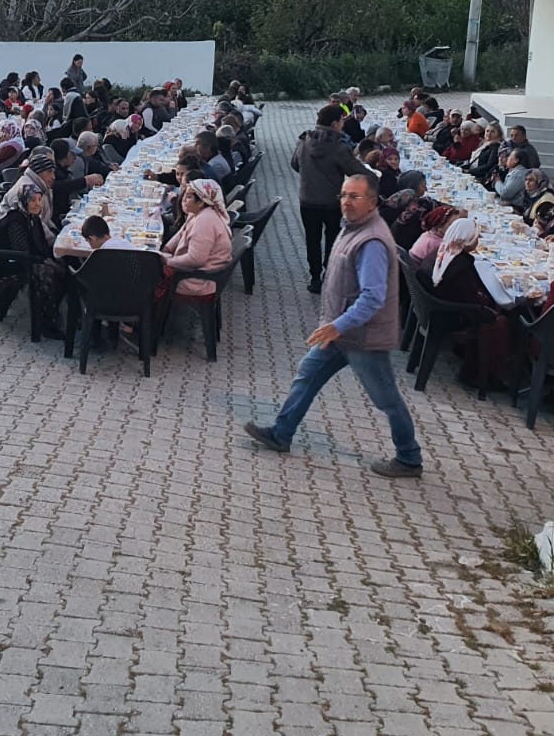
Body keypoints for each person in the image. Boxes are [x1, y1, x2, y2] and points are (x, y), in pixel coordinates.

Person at [243, 174, 421, 479]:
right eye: (343, 195)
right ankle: (281, 434)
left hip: (363, 337)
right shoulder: (354, 228)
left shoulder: (372, 241)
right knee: (307, 376)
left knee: (386, 399)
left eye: (355, 197)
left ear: (373, 202)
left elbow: (373, 297)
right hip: (340, 333)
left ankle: (409, 458)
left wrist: (337, 325)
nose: (346, 202)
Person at [292, 104, 368, 294]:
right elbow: (355, 170)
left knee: (312, 238)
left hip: (307, 199)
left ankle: (315, 277)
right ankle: (329, 274)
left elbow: (294, 163)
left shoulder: (304, 140)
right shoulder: (339, 146)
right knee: (332, 238)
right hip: (332, 202)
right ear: (334, 123)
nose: (343, 124)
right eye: (342, 120)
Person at [0, 180, 66, 338]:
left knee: (63, 267)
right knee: (49, 273)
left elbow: (40, 243)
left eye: (39, 200)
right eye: (32, 200)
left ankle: (56, 315)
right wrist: (45, 261)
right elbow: (22, 252)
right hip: (11, 263)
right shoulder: (16, 221)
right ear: (23, 201)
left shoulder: (33, 217)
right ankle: (45, 324)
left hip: (28, 258)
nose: (37, 204)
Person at [159, 178, 234, 302]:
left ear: (201, 202)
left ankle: (149, 317)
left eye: (188, 197)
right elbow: (181, 234)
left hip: (197, 280)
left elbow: (195, 259)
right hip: (192, 271)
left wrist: (167, 261)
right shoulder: (196, 213)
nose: (183, 200)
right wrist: (165, 249)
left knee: (148, 275)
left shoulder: (205, 221)